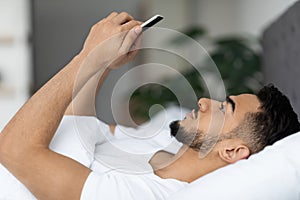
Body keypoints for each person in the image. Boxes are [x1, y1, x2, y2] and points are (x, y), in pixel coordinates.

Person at [0, 11, 299, 200]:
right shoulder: (155, 150)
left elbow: (13, 151)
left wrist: (87, 57)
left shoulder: (144, 195)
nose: (205, 102)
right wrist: (103, 62)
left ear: (232, 151)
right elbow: (77, 128)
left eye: (224, 108)